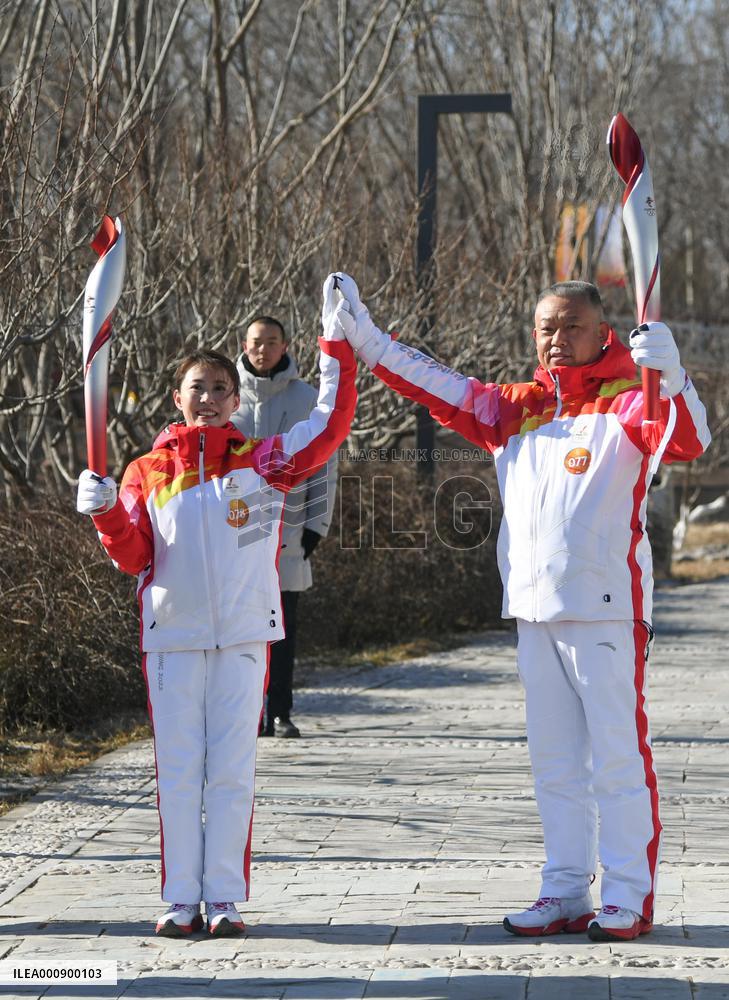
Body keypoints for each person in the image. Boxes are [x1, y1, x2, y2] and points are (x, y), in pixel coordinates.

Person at [326, 272, 710, 943]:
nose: (557, 340)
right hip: (532, 611)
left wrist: (672, 379)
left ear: (602, 331)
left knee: (617, 758)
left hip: (606, 610)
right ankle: (564, 890)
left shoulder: (628, 399)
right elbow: (437, 386)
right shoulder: (518, 408)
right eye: (546, 328)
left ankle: (626, 896)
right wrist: (366, 340)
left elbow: (683, 442)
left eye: (571, 327)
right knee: (554, 763)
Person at [75, 291, 356, 937]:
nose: (207, 397)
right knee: (177, 772)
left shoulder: (262, 463)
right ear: (177, 397)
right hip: (172, 635)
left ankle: (223, 899)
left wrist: (338, 346)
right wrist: (105, 514)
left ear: (236, 401)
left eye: (220, 388)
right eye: (196, 387)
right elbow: (134, 556)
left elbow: (330, 426)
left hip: (242, 635)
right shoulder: (146, 470)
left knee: (230, 771)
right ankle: (180, 900)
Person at [231, 316, 338, 738]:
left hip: (288, 530)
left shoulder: (307, 399)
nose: (263, 350)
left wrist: (317, 525)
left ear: (285, 346)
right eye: (257, 342)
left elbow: (324, 467)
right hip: (232, 534)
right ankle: (246, 713)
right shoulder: (226, 396)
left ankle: (280, 710)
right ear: (244, 344)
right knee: (239, 631)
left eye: (271, 342)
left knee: (282, 628)